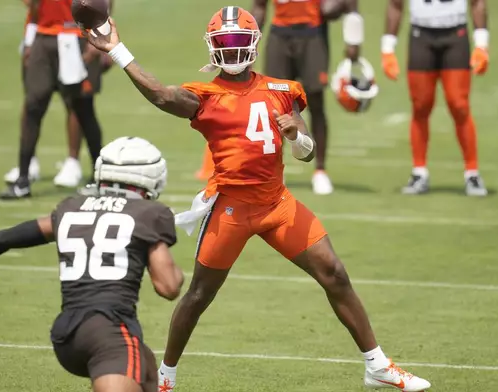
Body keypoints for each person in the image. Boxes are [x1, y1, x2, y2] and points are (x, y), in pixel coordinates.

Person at [84, 7, 431, 391]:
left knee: (334, 273)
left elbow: (308, 152)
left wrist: (297, 136)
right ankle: (165, 377)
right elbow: (162, 97)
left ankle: (377, 365)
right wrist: (118, 51)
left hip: (277, 205)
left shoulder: (284, 90)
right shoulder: (205, 95)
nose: (232, 53)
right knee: (199, 295)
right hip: (231, 209)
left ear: (253, 44)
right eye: (224, 45)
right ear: (213, 49)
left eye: (238, 44)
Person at [0, 136, 184, 392]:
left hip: (66, 334)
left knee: (147, 368)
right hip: (109, 333)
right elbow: (169, 286)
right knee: (133, 360)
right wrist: (159, 237)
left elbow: (4, 238)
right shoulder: (149, 215)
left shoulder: (72, 207)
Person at [248, 0, 364, 194]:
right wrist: (250, 46)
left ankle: (320, 170)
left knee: (316, 102)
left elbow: (349, 3)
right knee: (274, 105)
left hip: (313, 34)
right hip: (279, 34)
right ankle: (275, 169)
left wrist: (353, 40)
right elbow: (260, 6)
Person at [0, 0, 105, 200]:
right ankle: (23, 179)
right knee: (33, 105)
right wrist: (29, 40)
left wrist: (99, 38)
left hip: (77, 36)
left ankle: (99, 179)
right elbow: (33, 5)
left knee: (83, 108)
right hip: (44, 36)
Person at [382, 0, 489, 196]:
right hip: (421, 35)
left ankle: (472, 173)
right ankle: (419, 171)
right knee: (420, 105)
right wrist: (388, 47)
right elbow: (395, 4)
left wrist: (482, 43)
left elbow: (477, 2)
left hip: (455, 33)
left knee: (459, 105)